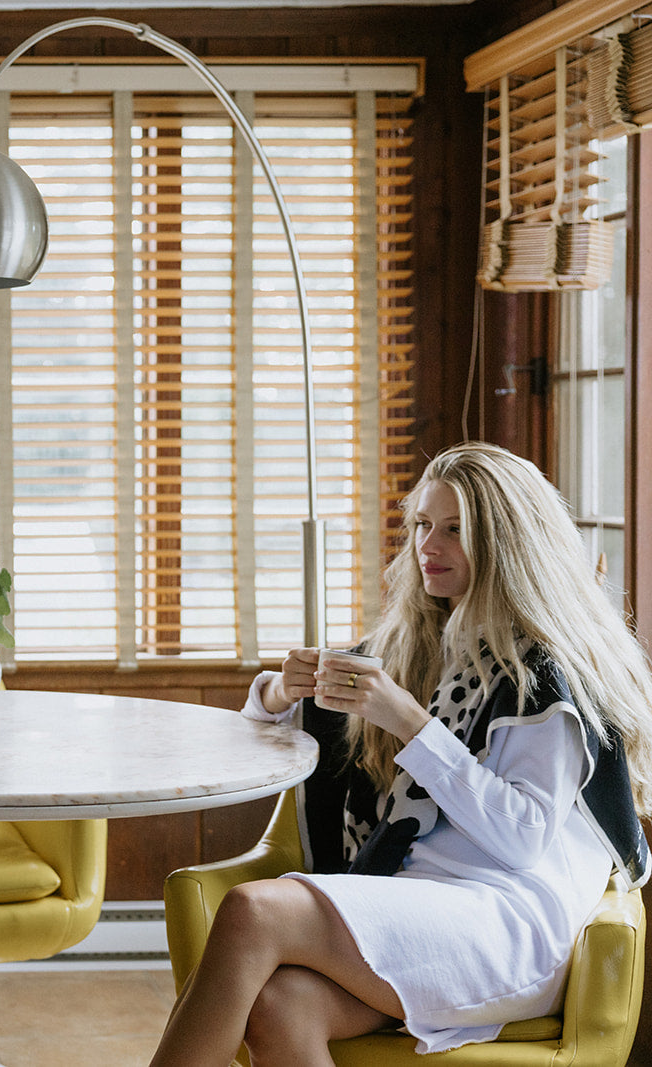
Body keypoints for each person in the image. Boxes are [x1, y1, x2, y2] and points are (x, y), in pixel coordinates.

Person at [150, 442, 652, 1065]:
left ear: (507, 542)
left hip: (506, 921)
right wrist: (281, 690)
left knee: (254, 909)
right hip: (418, 903)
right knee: (282, 1005)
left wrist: (412, 723)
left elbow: (522, 839)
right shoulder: (422, 643)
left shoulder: (544, 673)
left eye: (454, 529)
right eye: (421, 524)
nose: (427, 546)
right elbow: (261, 730)